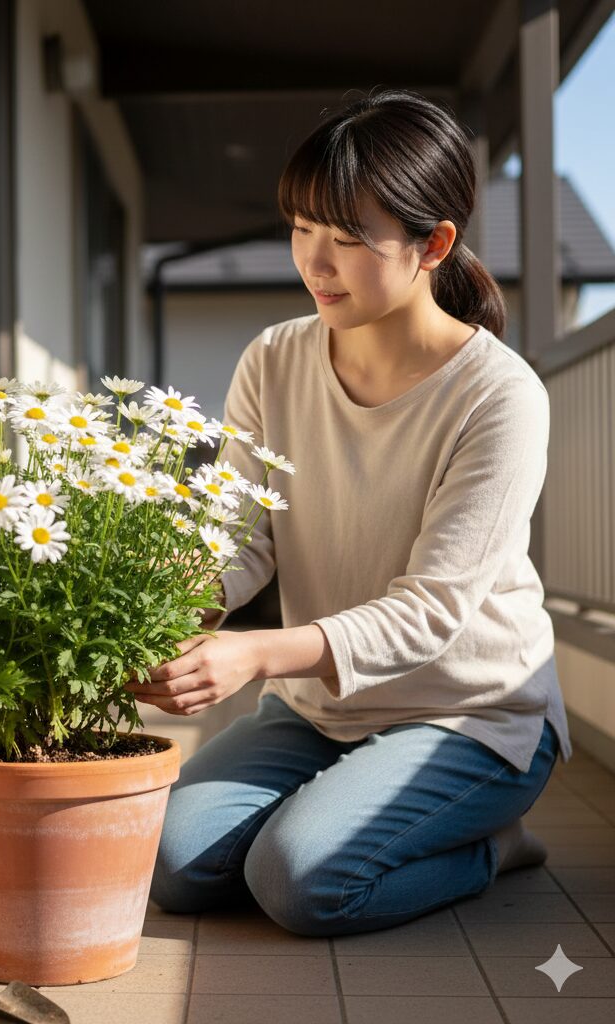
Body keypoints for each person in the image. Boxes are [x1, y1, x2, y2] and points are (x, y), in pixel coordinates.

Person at [125, 88, 572, 937]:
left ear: (432, 244)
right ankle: (351, 812)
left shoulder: (500, 395)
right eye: (301, 230)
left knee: (300, 881)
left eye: (346, 240)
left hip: (469, 715)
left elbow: (433, 610)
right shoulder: (275, 358)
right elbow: (236, 535)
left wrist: (254, 653)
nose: (314, 263)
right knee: (170, 864)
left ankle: (493, 843)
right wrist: (168, 610)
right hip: (320, 710)